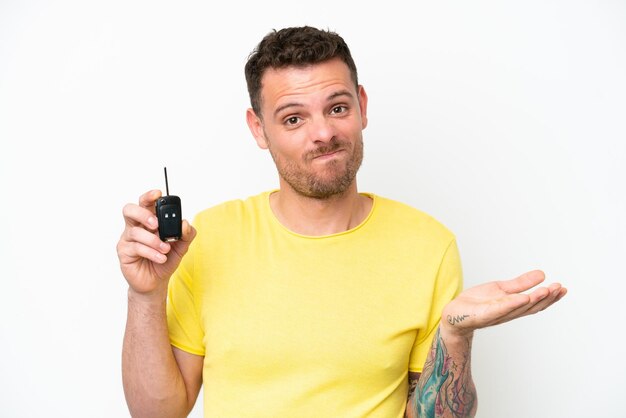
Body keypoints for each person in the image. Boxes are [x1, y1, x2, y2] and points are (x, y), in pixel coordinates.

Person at [117, 26, 567, 418]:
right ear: (258, 130)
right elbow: (158, 413)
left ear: (362, 106)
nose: (323, 133)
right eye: (293, 118)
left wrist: (454, 335)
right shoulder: (208, 239)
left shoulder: (429, 245)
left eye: (337, 108)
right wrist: (146, 294)